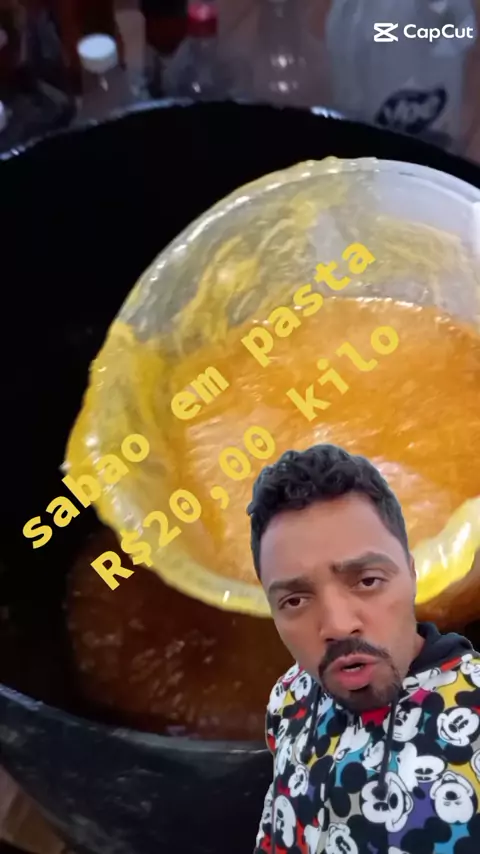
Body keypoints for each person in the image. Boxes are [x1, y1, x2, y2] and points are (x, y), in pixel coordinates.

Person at [247, 444, 480, 854]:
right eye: (295, 600)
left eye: (368, 580)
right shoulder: (289, 696)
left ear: (411, 573)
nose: (338, 626)